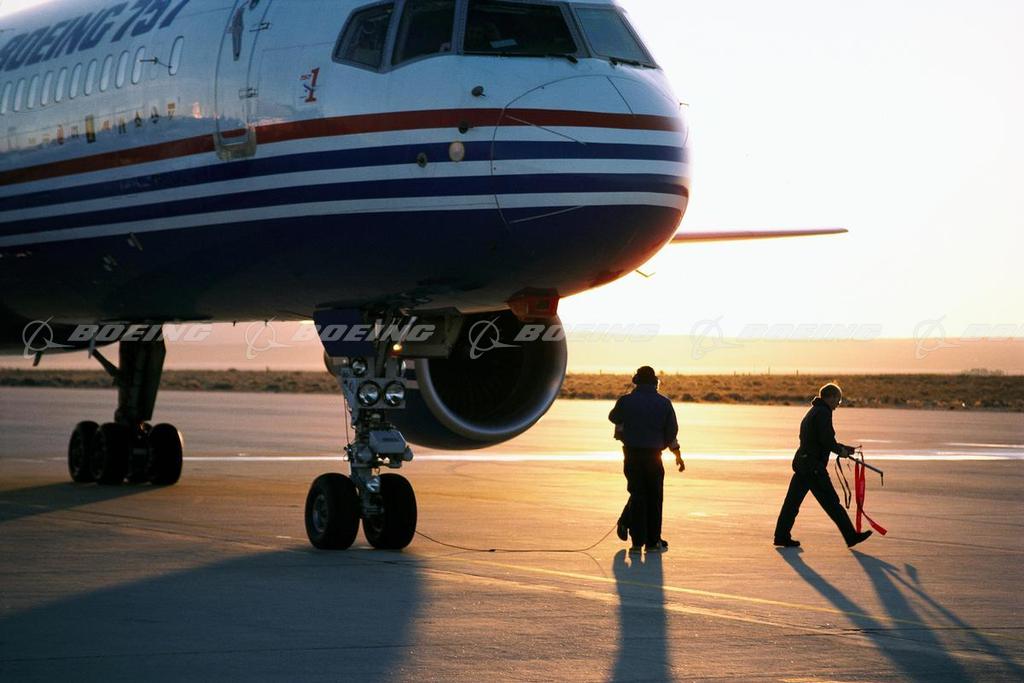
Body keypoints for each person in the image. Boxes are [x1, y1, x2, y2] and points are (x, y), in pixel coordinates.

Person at [773, 383, 873, 548]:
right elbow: (826, 440)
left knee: (792, 503)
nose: (838, 405)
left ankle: (781, 536)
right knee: (832, 503)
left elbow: (820, 439)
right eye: (838, 401)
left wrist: (844, 449)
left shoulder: (814, 411)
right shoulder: (823, 413)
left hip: (803, 463)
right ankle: (851, 536)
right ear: (831, 397)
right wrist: (840, 450)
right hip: (813, 467)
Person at [608, 366, 684, 554]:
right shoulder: (664, 403)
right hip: (654, 457)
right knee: (654, 498)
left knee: (637, 496)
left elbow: (613, 417)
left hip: (632, 455)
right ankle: (652, 542)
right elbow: (671, 432)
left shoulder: (626, 401)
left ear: (636, 381)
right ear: (655, 382)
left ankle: (636, 543)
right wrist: (677, 455)